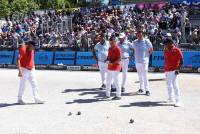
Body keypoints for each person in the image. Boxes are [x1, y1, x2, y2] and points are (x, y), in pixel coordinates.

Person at [131, 26, 153, 96]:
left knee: (145, 75)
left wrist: (147, 56)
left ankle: (147, 90)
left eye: (140, 35)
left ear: (142, 35)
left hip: (144, 61)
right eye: (138, 35)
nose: (139, 36)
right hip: (137, 61)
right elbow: (133, 50)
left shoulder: (146, 41)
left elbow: (151, 49)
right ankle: (141, 88)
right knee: (140, 75)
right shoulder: (134, 42)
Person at [164, 38, 183, 107]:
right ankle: (171, 98)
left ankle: (178, 101)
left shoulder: (177, 50)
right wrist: (165, 69)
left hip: (174, 70)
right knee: (168, 84)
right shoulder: (165, 50)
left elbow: (181, 61)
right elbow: (166, 60)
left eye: (166, 44)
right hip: (167, 70)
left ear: (170, 43)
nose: (165, 45)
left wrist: (178, 69)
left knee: (175, 85)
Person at [105, 35, 122, 100]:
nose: (111, 44)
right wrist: (107, 60)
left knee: (116, 80)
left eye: (112, 42)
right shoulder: (109, 48)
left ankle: (118, 95)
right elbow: (108, 57)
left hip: (116, 67)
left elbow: (119, 58)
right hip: (110, 67)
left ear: (115, 42)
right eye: (110, 43)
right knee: (108, 81)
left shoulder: (117, 48)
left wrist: (112, 62)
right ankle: (107, 94)